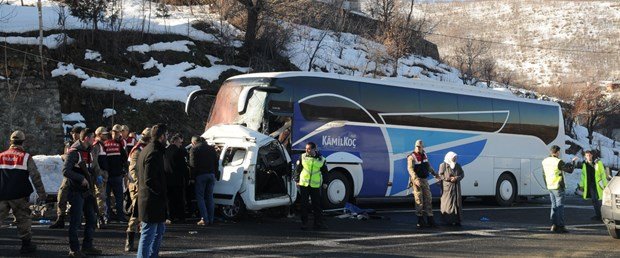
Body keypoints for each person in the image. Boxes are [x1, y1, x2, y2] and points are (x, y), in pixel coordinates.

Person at [0, 130, 46, 254]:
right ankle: (26, 245)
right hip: (19, 195)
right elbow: (35, 176)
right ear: (22, 142)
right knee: (23, 219)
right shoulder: (25, 157)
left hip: (2, 194)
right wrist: (42, 194)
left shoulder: (1, 155)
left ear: (11, 141)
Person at [62, 128, 103, 257]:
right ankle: (74, 249)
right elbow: (66, 171)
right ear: (86, 138)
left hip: (87, 191)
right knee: (76, 220)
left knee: (91, 218)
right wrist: (81, 179)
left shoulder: (89, 151)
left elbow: (93, 167)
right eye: (92, 138)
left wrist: (98, 176)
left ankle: (87, 246)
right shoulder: (74, 152)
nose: (94, 140)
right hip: (76, 190)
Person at [137, 123, 169, 258]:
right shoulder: (153, 152)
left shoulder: (149, 149)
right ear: (161, 137)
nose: (168, 137)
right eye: (166, 135)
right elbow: (149, 179)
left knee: (159, 231)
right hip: (151, 200)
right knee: (148, 234)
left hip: (153, 200)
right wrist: (161, 192)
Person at [50, 126, 83, 229]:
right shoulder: (68, 144)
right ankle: (60, 217)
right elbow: (64, 156)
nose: (74, 135)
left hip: (78, 173)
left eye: (76, 133)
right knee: (62, 195)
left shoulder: (82, 145)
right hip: (68, 173)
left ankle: (79, 219)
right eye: (73, 133)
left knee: (79, 198)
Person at [124, 127, 151, 252]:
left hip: (144, 184)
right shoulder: (137, 150)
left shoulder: (146, 149)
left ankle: (142, 241)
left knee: (144, 213)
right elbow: (132, 169)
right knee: (137, 212)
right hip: (136, 185)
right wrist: (140, 182)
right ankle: (129, 241)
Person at [542, 145, 577, 234]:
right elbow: (569, 170)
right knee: (560, 206)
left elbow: (543, 174)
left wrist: (547, 185)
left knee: (554, 206)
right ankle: (560, 226)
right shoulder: (558, 161)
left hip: (550, 186)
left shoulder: (545, 161)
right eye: (559, 152)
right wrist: (573, 162)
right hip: (558, 186)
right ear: (557, 152)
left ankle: (554, 225)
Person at [294, 142, 329, 230]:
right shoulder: (303, 156)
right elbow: (298, 169)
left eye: (309, 149)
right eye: (306, 148)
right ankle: (304, 223)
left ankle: (318, 223)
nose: (306, 150)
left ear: (314, 149)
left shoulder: (321, 159)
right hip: (304, 184)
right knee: (304, 204)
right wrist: (297, 180)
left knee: (316, 205)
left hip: (315, 185)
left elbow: (325, 172)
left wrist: (325, 182)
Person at [407, 139, 439, 228]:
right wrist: (415, 179)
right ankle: (420, 220)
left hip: (424, 180)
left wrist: (435, 174)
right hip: (417, 180)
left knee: (428, 199)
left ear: (422, 147)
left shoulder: (424, 155)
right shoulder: (411, 156)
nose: (418, 148)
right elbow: (410, 169)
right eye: (417, 146)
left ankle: (430, 218)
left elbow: (428, 166)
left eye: (420, 147)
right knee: (419, 200)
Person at [189, 136, 219, 226]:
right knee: (210, 197)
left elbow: (192, 165)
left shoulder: (194, 149)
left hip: (201, 176)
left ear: (194, 142)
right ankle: (211, 219)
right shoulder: (211, 148)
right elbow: (216, 162)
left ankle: (204, 219)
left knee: (200, 198)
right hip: (211, 175)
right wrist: (216, 174)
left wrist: (192, 178)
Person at [105, 124, 128, 222]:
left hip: (112, 174)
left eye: (118, 132)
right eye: (115, 132)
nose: (117, 134)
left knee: (110, 198)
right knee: (116, 197)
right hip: (114, 175)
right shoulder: (119, 144)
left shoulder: (105, 144)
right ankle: (117, 216)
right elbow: (124, 158)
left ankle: (109, 216)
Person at [577, 150, 608, 221]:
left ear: (592, 155)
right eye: (587, 155)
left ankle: (601, 216)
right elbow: (583, 176)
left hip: (598, 184)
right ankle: (598, 215)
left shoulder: (598, 163)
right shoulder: (584, 164)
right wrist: (581, 185)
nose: (588, 157)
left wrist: (605, 184)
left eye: (589, 155)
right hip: (590, 185)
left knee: (599, 201)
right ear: (585, 156)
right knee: (594, 200)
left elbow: (602, 174)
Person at [164, 133, 189, 223]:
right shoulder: (179, 151)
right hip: (178, 179)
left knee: (170, 199)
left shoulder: (165, 151)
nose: (180, 144)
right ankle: (181, 216)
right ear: (175, 142)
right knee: (179, 198)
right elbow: (183, 166)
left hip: (167, 179)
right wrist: (187, 178)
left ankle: (170, 216)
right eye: (179, 142)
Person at [438, 151, 465, 226]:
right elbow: (440, 175)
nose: (455, 159)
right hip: (447, 188)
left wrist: (456, 178)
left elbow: (462, 174)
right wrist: (449, 179)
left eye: (455, 157)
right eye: (454, 157)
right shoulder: (443, 165)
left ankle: (457, 220)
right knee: (448, 204)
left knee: (456, 203)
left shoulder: (458, 165)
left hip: (456, 188)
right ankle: (447, 220)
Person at [93, 126, 110, 228]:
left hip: (104, 174)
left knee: (103, 196)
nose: (106, 135)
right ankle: (100, 216)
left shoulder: (102, 145)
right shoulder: (96, 146)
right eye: (104, 134)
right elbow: (95, 161)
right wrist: (98, 173)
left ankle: (102, 215)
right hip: (99, 175)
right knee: (100, 196)